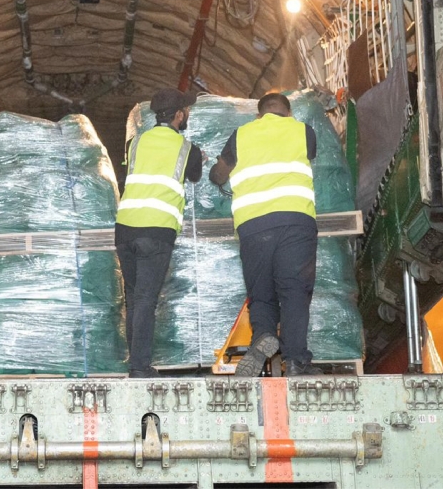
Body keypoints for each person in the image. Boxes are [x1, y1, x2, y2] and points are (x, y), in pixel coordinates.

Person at [209, 92, 321, 377]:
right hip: (295, 221)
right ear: (289, 112)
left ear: (258, 115)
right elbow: (310, 155)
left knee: (261, 293)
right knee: (294, 290)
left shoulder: (241, 134)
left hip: (253, 226)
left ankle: (262, 337)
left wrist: (216, 170)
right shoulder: (302, 131)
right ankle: (295, 362)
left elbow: (219, 175)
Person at [115, 88, 203, 378]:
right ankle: (140, 367)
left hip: (126, 227)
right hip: (156, 230)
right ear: (179, 115)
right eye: (186, 110)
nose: (187, 114)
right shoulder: (185, 148)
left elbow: (131, 173)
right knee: (145, 299)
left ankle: (134, 361)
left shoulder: (136, 143)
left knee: (134, 296)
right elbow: (195, 175)